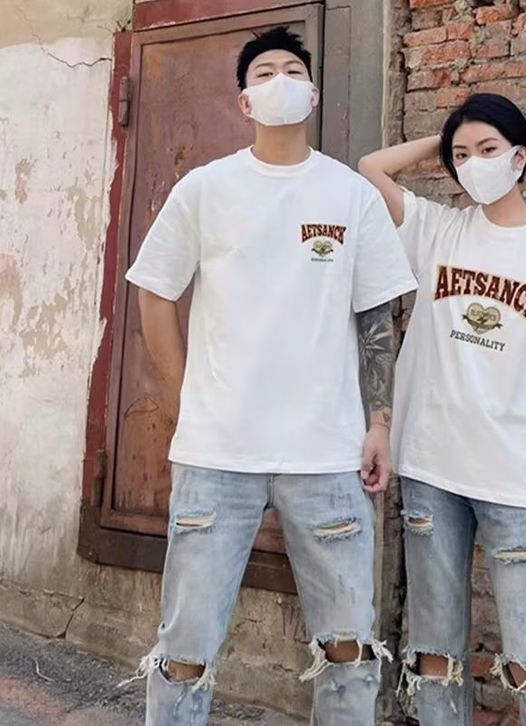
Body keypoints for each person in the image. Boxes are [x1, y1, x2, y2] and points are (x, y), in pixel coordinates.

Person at [123, 26, 417, 726]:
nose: (279, 79)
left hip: (328, 454)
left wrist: (379, 424)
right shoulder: (206, 188)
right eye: (263, 73)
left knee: (349, 650)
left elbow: (378, 318)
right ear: (245, 101)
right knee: (185, 651)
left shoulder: (350, 195)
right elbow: (155, 293)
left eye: (292, 70)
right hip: (217, 454)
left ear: (312, 94)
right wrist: (186, 397)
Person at [358, 93, 526, 725]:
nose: (475, 163)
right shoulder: (439, 229)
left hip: (514, 478)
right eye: (463, 155)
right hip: (432, 467)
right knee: (434, 657)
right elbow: (371, 168)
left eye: (489, 150)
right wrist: (446, 138)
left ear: (520, 157)